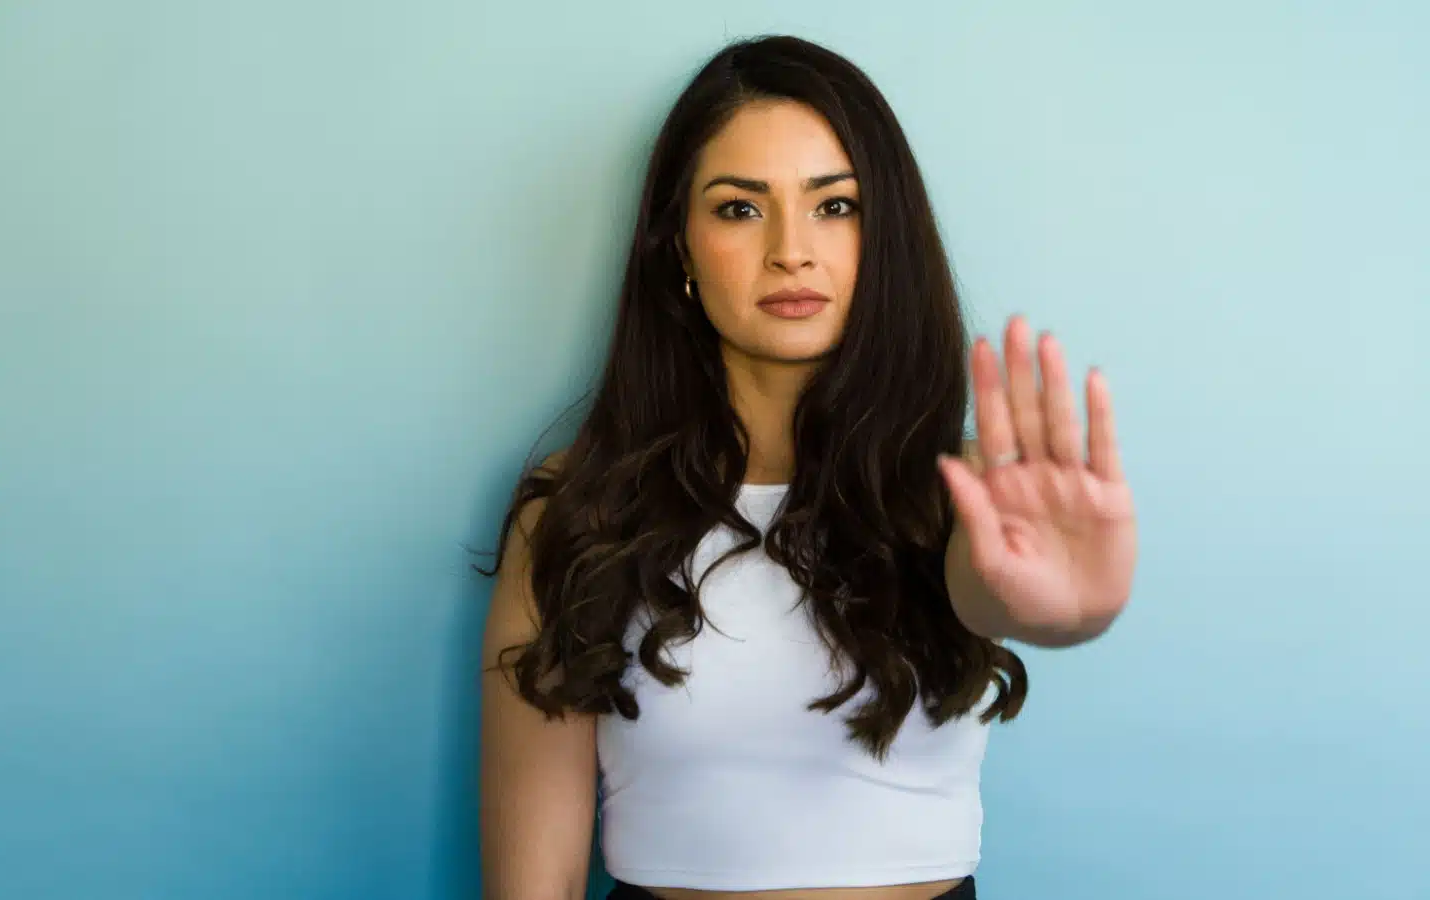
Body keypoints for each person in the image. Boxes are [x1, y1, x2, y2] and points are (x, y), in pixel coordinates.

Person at [479, 34, 1138, 900]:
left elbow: (993, 589)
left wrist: (1068, 613)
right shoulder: (579, 506)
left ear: (885, 238)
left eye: (835, 206)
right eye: (739, 208)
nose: (792, 250)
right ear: (677, 248)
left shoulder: (974, 498)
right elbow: (535, 882)